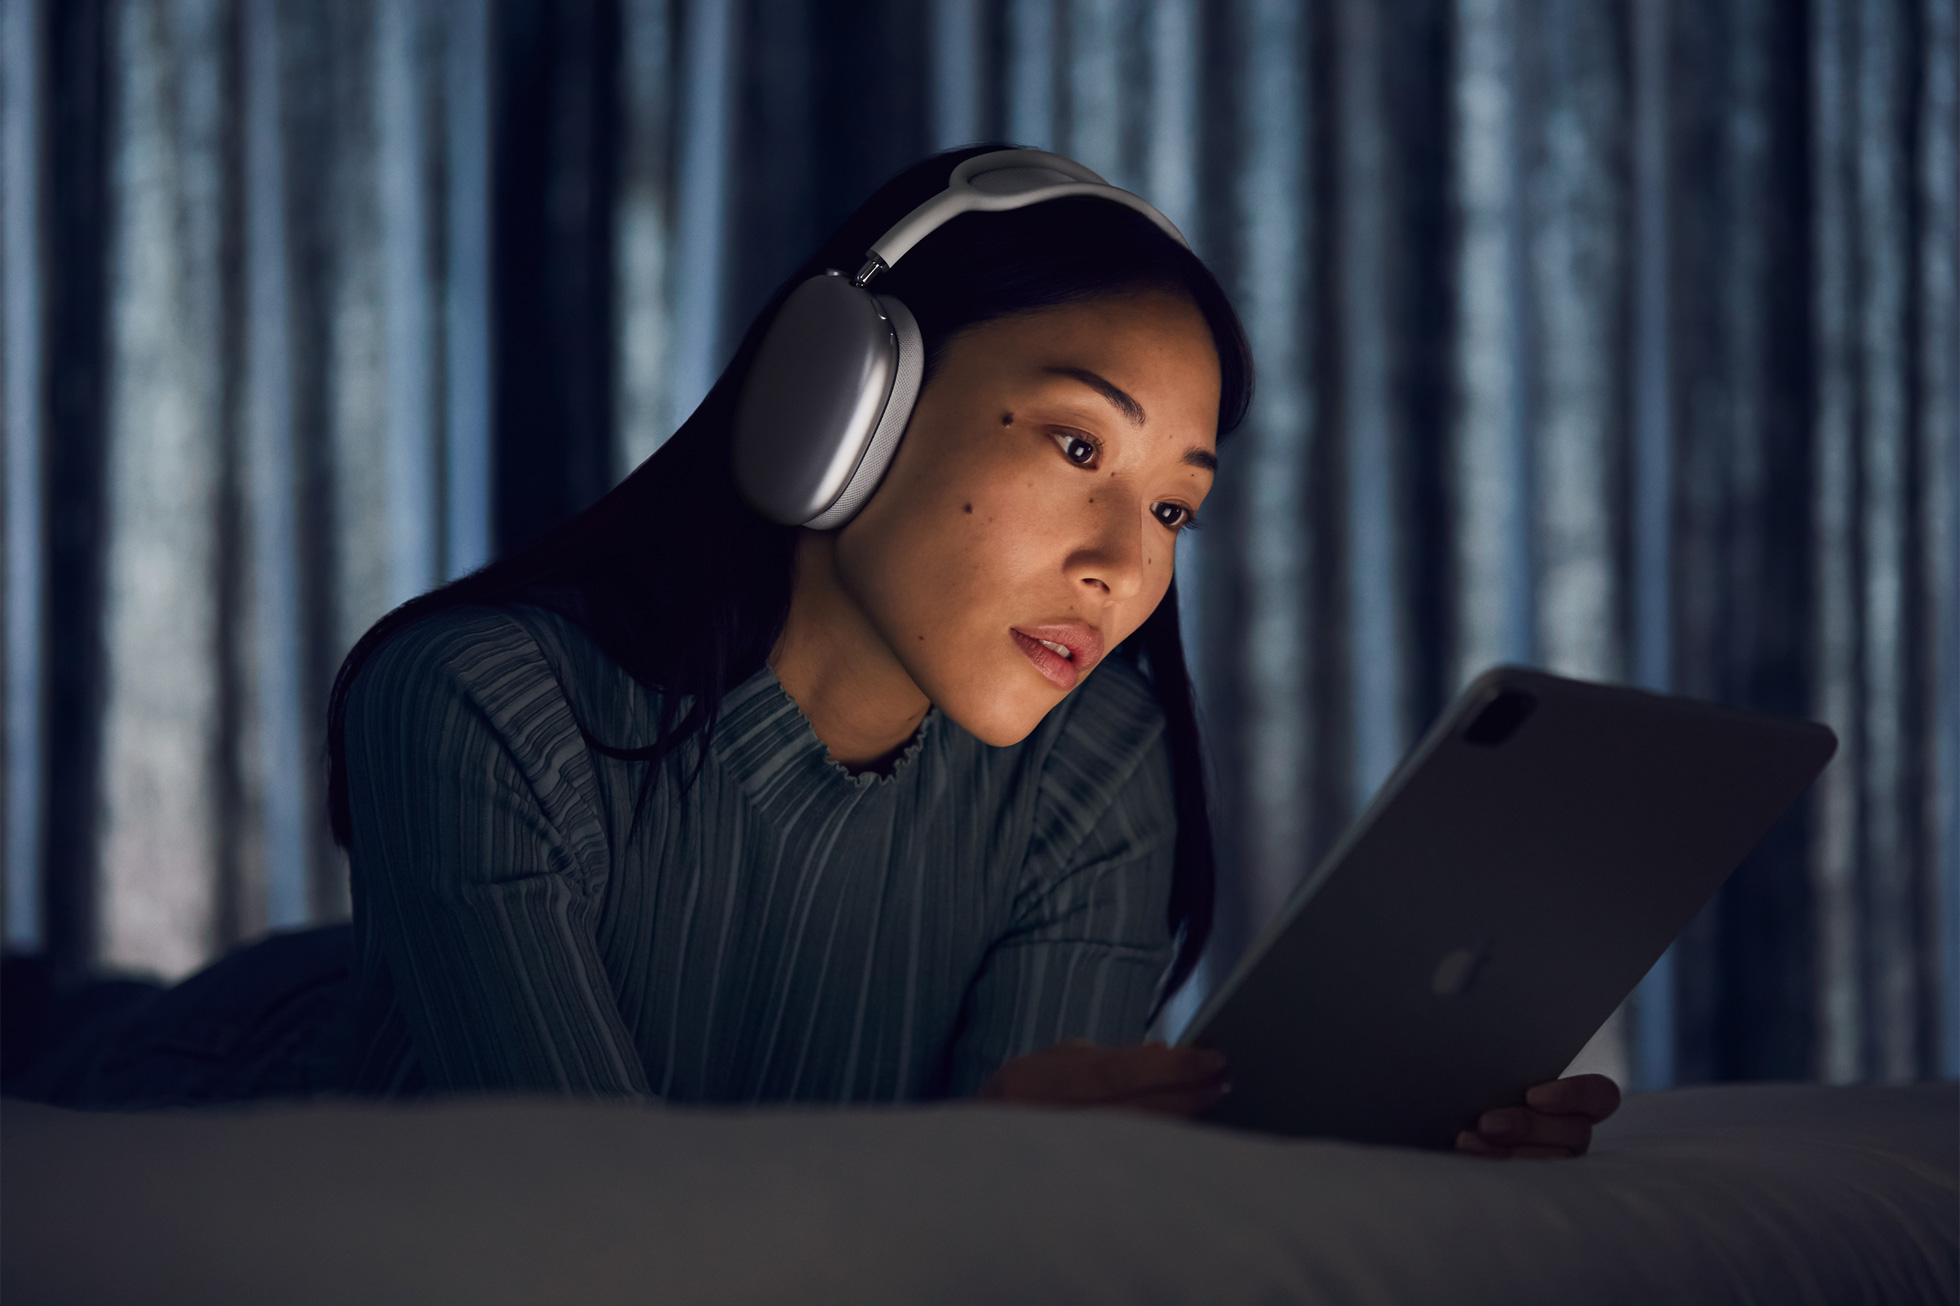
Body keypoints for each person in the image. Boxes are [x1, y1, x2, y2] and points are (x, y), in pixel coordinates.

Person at [27, 146, 1614, 1156]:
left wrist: (1380, 1140)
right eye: (1076, 449)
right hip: (178, 1066)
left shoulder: (1097, 771)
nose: (1127, 568)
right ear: (839, 401)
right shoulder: (476, 705)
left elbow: (1032, 1177)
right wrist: (976, 1162)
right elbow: (601, 1210)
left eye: (1177, 511)